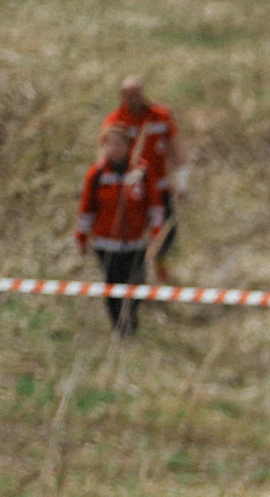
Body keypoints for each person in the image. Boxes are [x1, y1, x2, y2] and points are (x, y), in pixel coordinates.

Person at [75, 125, 164, 336]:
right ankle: (120, 328)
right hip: (106, 244)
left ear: (128, 145)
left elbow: (154, 205)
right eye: (109, 143)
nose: (114, 148)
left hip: (136, 242)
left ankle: (132, 317)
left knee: (137, 284)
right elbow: (86, 209)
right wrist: (81, 237)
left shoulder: (141, 171)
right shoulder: (96, 174)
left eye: (119, 143)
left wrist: (157, 232)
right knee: (113, 286)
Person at [100, 78, 183, 277]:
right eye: (127, 95)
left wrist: (182, 179)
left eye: (136, 94)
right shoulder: (115, 120)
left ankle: (160, 259)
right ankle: (139, 275)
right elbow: (105, 153)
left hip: (160, 185)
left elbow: (175, 148)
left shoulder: (160, 116)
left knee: (166, 228)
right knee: (135, 230)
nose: (132, 99)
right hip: (133, 187)